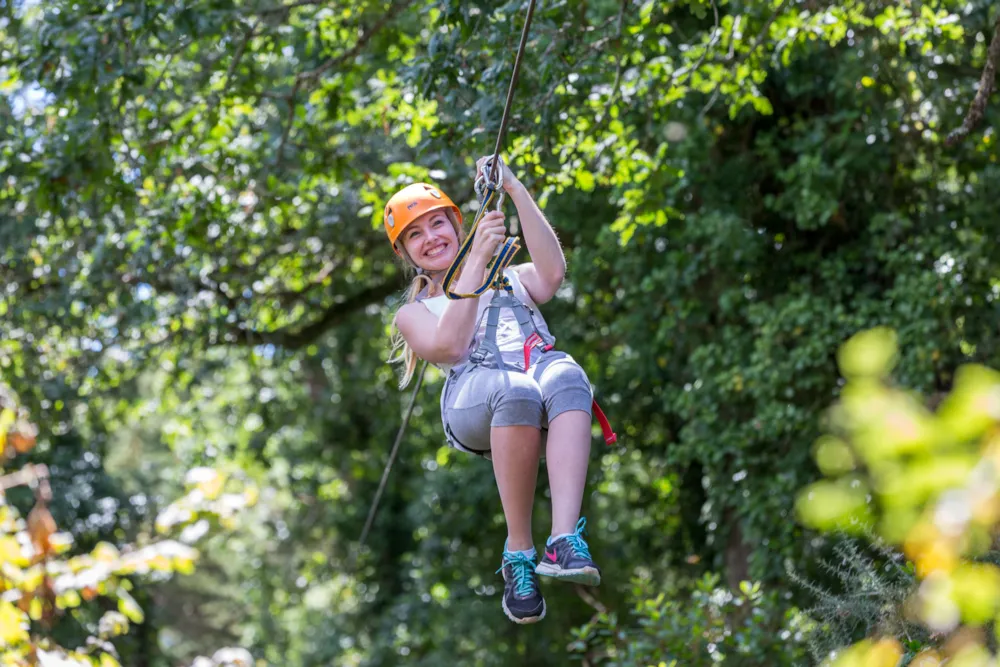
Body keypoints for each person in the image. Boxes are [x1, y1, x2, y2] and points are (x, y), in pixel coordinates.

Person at [383, 157, 601, 624]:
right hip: (472, 400)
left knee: (566, 374)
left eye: (437, 224)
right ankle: (518, 551)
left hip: (532, 376)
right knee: (515, 389)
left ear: (456, 225)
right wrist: (477, 260)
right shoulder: (415, 312)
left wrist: (516, 189)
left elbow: (553, 274)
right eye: (415, 235)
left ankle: (563, 540)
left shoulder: (512, 276)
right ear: (406, 254)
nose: (431, 238)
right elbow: (451, 345)